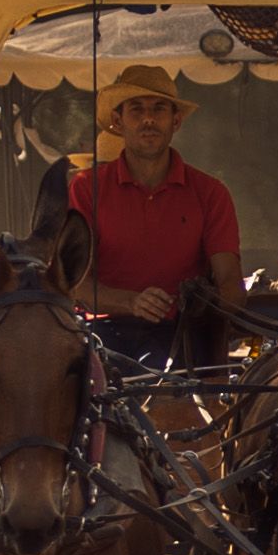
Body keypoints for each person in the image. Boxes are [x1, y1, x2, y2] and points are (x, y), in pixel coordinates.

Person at [65, 65, 242, 373]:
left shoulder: (210, 193)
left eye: (159, 108)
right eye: (137, 109)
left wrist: (203, 305)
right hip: (105, 337)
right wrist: (131, 302)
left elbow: (231, 283)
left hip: (184, 338)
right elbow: (75, 285)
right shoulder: (85, 189)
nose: (148, 119)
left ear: (176, 121)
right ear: (118, 122)